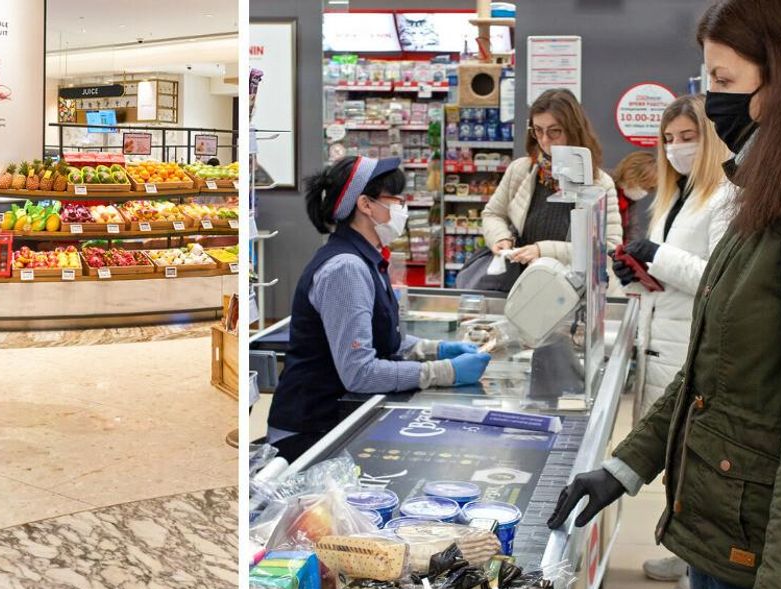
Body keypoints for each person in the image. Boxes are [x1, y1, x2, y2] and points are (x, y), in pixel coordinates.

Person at [548, 1, 781, 589]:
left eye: (724, 80)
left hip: (768, 567)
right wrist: (624, 468)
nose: (713, 99)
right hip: (723, 537)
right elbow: (709, 373)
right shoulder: (767, 199)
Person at [266, 156, 491, 461]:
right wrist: (442, 372)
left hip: (336, 420)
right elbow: (359, 373)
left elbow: (379, 337)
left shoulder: (366, 258)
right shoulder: (346, 268)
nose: (402, 208)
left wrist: (433, 349)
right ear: (366, 204)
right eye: (396, 200)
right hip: (311, 434)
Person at [612, 94, 735, 589]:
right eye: (668, 139)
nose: (676, 148)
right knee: (675, 465)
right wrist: (638, 276)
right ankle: (682, 556)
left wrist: (657, 255)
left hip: (694, 348)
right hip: (661, 343)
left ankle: (694, 584)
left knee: (695, 469)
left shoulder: (726, 195)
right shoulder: (674, 195)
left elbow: (720, 277)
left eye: (687, 137)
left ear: (710, 138)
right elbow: (672, 278)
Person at [481, 89, 623, 280]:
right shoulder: (520, 170)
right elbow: (493, 214)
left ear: (573, 129)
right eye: (538, 130)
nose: (545, 140)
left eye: (554, 131)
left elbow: (609, 249)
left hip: (571, 288)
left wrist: (543, 250)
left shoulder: (599, 183)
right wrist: (501, 237)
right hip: (519, 284)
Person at [611, 151, 658, 244]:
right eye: (643, 186)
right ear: (631, 174)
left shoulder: (629, 201)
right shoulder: (605, 188)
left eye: (649, 188)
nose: (645, 192)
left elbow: (632, 230)